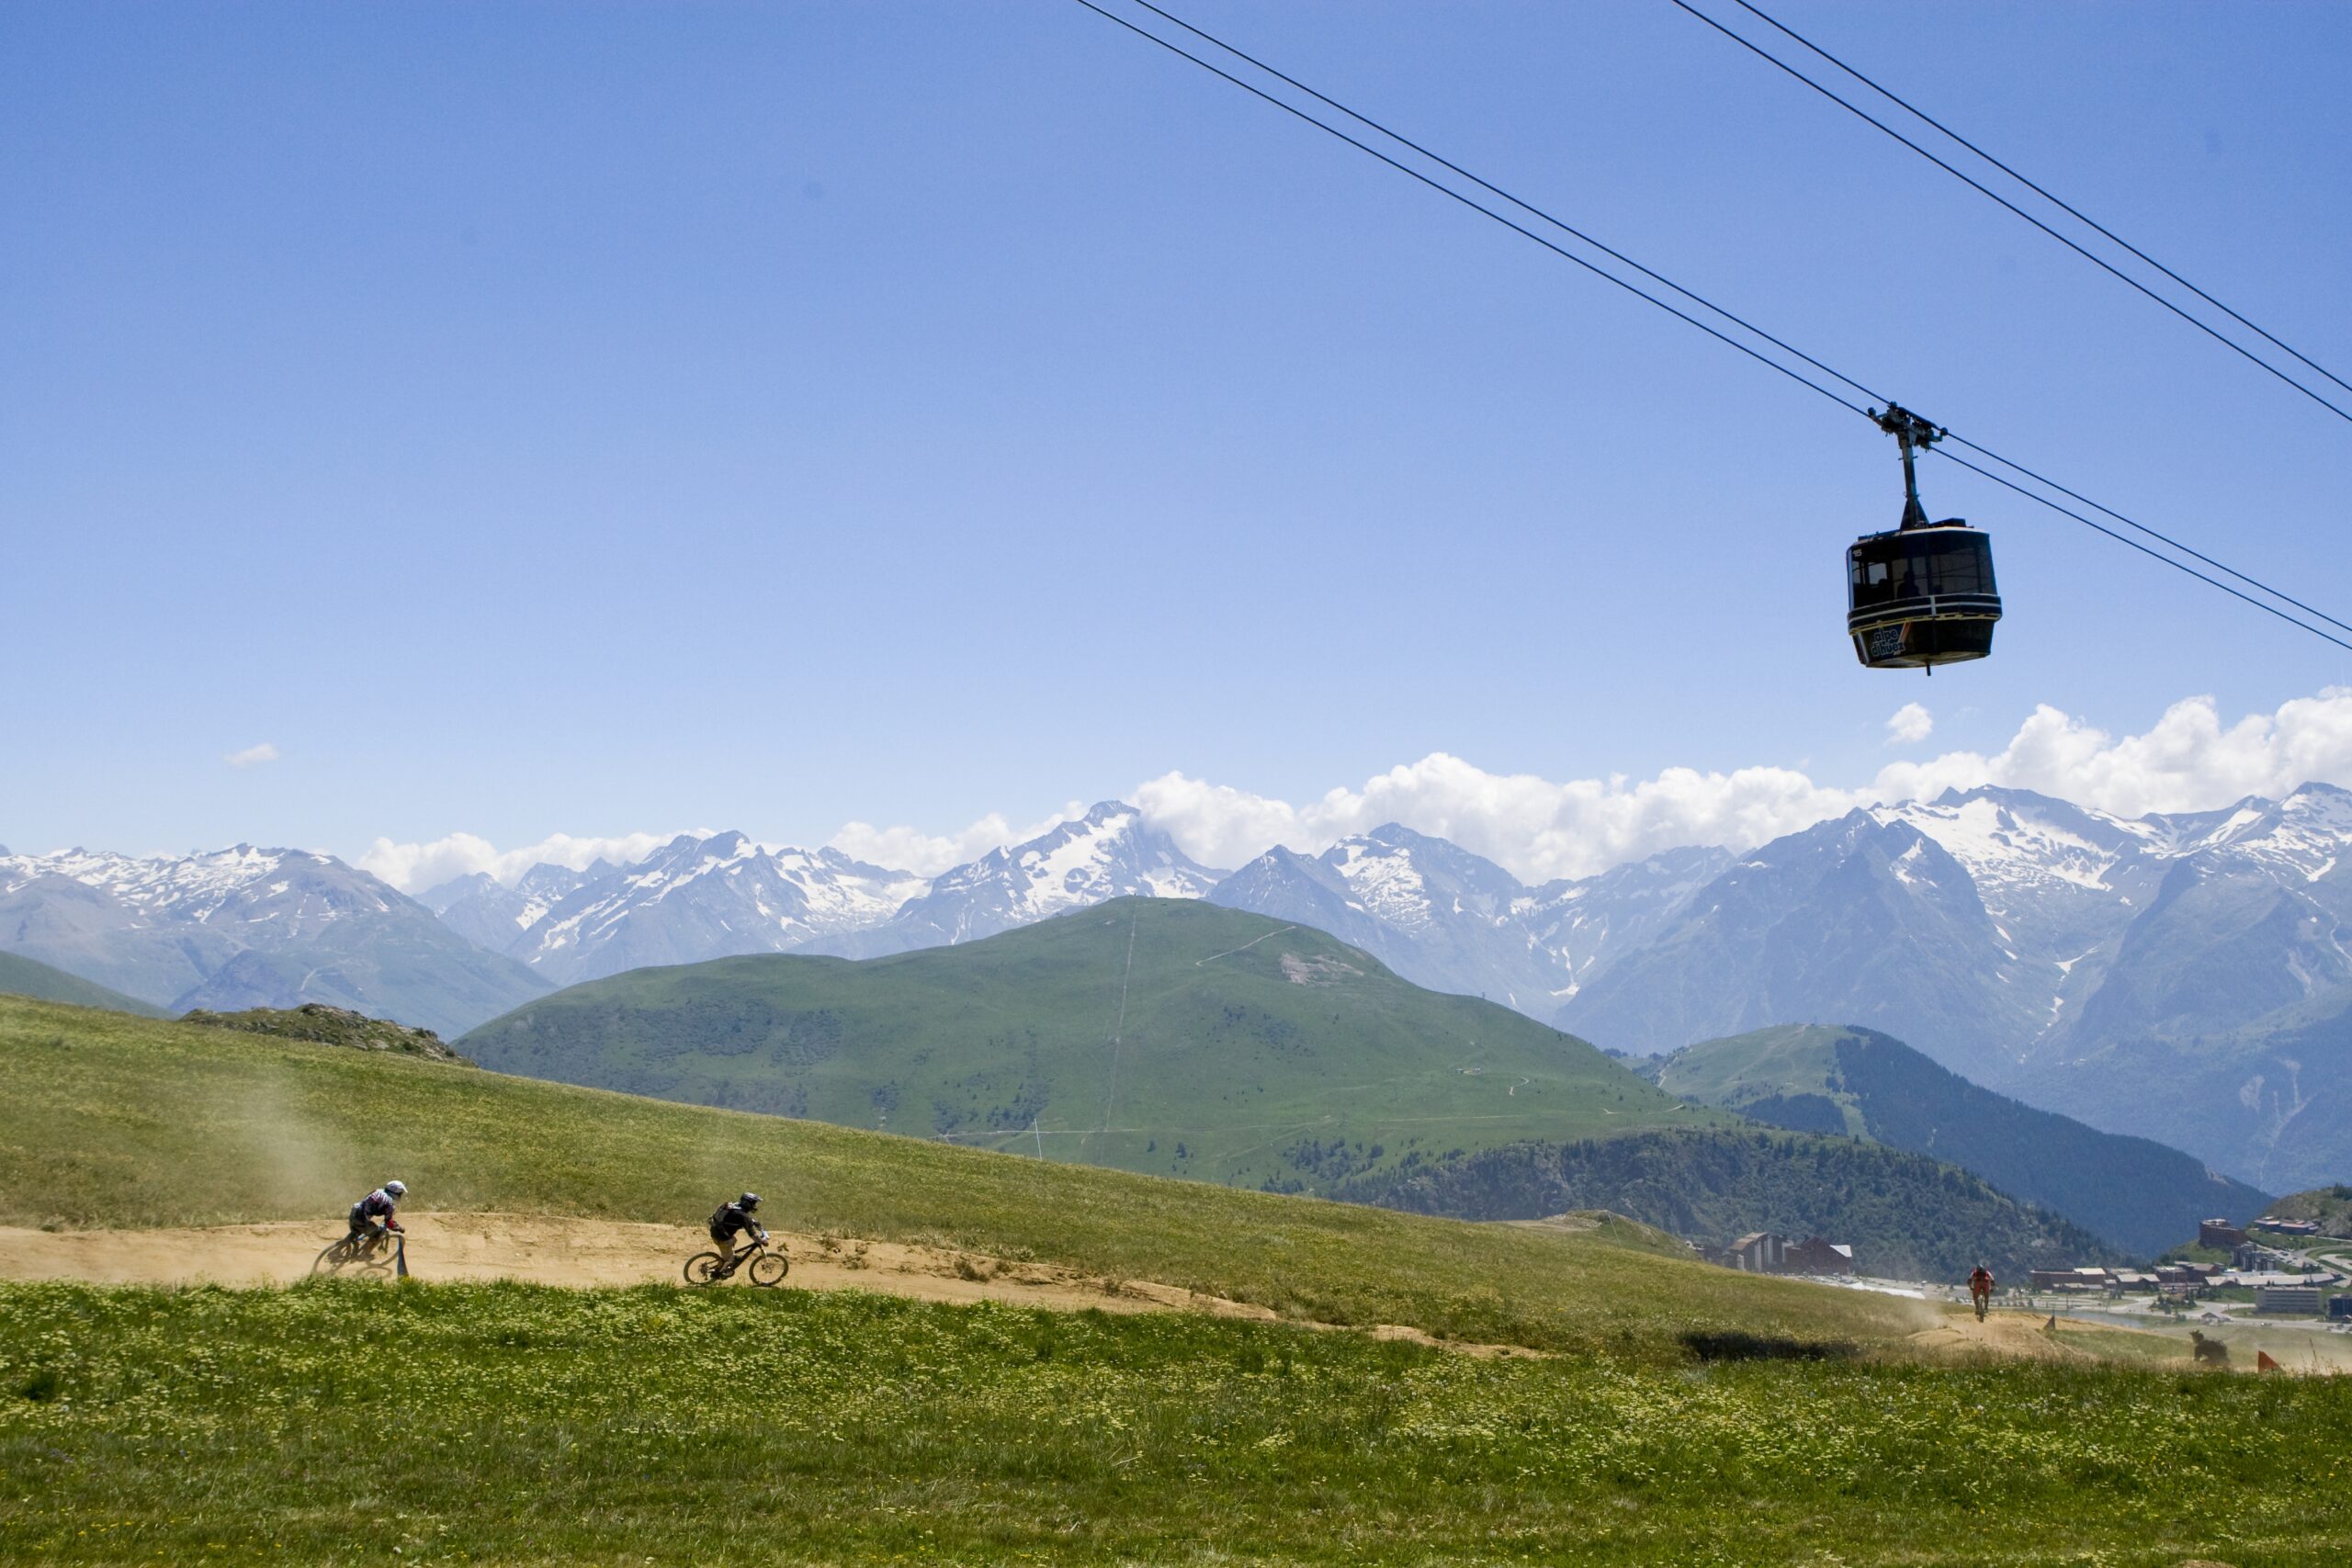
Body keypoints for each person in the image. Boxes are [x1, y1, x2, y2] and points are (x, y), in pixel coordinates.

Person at [707, 1192, 766, 1274]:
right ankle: (719, 1273)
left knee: (734, 1240)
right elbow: (752, 1234)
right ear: (748, 1203)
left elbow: (743, 1218)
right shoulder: (744, 1216)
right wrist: (762, 1241)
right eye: (753, 1203)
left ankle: (727, 1256)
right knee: (729, 1259)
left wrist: (753, 1222)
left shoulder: (736, 1206)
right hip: (722, 1239)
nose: (754, 1206)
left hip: (716, 1232)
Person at [348, 1179, 407, 1250]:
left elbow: (366, 1200)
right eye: (400, 1193)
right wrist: (398, 1228)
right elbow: (389, 1222)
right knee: (377, 1233)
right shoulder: (389, 1203)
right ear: (395, 1193)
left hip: (355, 1210)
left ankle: (347, 1241)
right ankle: (365, 1253)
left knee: (358, 1229)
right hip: (361, 1218)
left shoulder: (377, 1191)